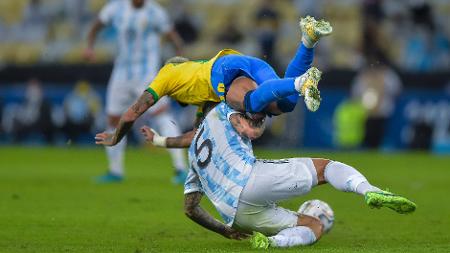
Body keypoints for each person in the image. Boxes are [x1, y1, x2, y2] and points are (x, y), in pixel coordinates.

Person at [140, 102, 416, 249]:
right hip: (250, 180)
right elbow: (251, 126)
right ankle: (367, 189)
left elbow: (190, 209)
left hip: (234, 214)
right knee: (325, 167)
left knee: (313, 226)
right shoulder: (223, 111)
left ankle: (272, 243)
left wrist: (224, 230)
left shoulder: (194, 157)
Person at [95, 16, 332, 149]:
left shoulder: (166, 74)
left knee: (252, 103)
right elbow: (196, 135)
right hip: (248, 64)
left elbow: (132, 113)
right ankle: (308, 40)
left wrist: (116, 137)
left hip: (223, 70)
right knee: (286, 104)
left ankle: (301, 82)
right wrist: (158, 140)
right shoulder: (201, 96)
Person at [85, 0, 187, 183]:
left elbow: (173, 37)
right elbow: (96, 26)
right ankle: (115, 171)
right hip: (122, 74)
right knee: (113, 120)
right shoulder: (115, 8)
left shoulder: (155, 12)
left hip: (147, 74)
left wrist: (182, 62)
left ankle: (181, 169)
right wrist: (89, 47)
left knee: (161, 114)